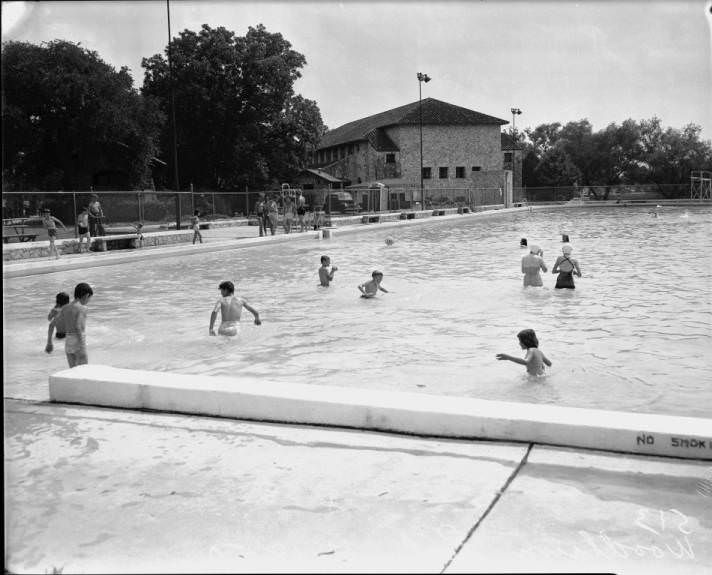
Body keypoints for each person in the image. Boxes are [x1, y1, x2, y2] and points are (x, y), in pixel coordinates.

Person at [47, 282, 93, 367]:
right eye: (89, 298)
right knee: (85, 370)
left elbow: (51, 324)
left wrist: (49, 343)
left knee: (73, 372)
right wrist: (82, 346)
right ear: (86, 296)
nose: (88, 301)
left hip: (68, 342)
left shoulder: (65, 308)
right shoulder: (82, 308)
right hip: (78, 341)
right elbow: (78, 327)